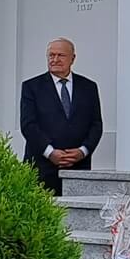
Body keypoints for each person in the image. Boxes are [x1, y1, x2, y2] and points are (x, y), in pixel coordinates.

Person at [19, 38, 103, 195]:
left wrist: (83, 151)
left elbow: (96, 124)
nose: (55, 59)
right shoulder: (32, 87)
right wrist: (50, 152)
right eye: (51, 55)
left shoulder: (88, 87)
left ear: (73, 58)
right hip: (41, 168)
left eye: (60, 55)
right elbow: (28, 125)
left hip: (78, 168)